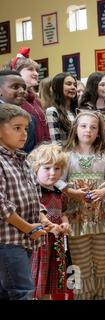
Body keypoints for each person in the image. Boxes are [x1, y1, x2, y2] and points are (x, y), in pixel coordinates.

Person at [59, 111, 105, 299]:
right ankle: (83, 295)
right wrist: (72, 192)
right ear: (75, 129)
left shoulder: (104, 155)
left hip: (99, 217)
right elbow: (58, 181)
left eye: (93, 127)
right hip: (76, 217)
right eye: (84, 126)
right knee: (80, 260)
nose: (88, 130)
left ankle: (102, 295)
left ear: (99, 132)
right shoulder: (66, 155)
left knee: (101, 259)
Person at [0, 104, 47, 300]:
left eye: (26, 128)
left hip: (24, 238)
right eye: (16, 128)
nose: (24, 134)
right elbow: (1, 205)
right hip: (7, 240)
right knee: (22, 291)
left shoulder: (22, 158)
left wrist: (42, 217)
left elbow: (35, 193)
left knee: (9, 290)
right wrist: (28, 227)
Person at [28, 144, 71, 300]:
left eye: (57, 168)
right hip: (38, 244)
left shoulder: (60, 193)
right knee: (36, 278)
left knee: (49, 282)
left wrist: (65, 223)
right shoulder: (32, 191)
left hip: (56, 243)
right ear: (36, 168)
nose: (52, 173)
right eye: (47, 168)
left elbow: (63, 213)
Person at [4, 47, 51, 145]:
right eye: (31, 69)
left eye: (37, 70)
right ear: (16, 72)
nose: (36, 73)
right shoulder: (11, 101)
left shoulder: (35, 100)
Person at [0, 70, 36, 153]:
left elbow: (28, 151)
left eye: (24, 87)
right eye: (15, 87)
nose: (22, 91)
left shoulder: (31, 119)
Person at [45, 73, 78, 146]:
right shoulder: (52, 111)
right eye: (69, 84)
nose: (73, 87)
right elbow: (56, 143)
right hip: (63, 155)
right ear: (58, 87)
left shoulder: (76, 111)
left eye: (75, 85)